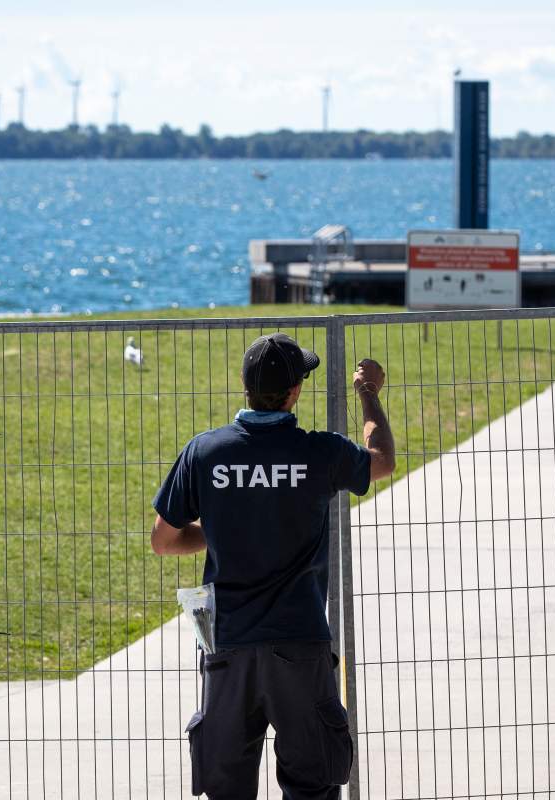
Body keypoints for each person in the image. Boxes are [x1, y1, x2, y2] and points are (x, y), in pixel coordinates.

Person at [150, 332, 395, 800]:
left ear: (245, 387)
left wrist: (221, 530)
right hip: (300, 645)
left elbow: (164, 540)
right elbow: (381, 462)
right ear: (295, 391)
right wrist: (368, 395)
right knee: (312, 784)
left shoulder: (205, 452)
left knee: (226, 788)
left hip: (228, 646)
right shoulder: (319, 452)